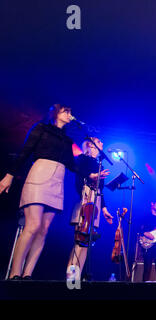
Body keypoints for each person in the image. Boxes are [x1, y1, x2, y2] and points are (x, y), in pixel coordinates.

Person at [0, 104, 76, 280]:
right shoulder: (41, 128)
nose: (69, 114)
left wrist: (91, 173)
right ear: (56, 113)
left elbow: (72, 165)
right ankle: (14, 273)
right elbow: (25, 151)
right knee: (32, 226)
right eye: (66, 111)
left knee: (43, 229)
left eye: (70, 112)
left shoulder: (67, 140)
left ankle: (28, 273)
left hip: (57, 181)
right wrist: (10, 174)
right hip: (39, 175)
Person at [66, 137, 114, 281]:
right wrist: (93, 177)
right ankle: (70, 281)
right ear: (90, 145)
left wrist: (104, 209)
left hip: (96, 202)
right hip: (86, 198)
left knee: (87, 243)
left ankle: (77, 278)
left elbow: (100, 190)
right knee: (79, 241)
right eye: (99, 142)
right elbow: (80, 177)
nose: (102, 144)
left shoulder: (99, 163)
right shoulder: (83, 159)